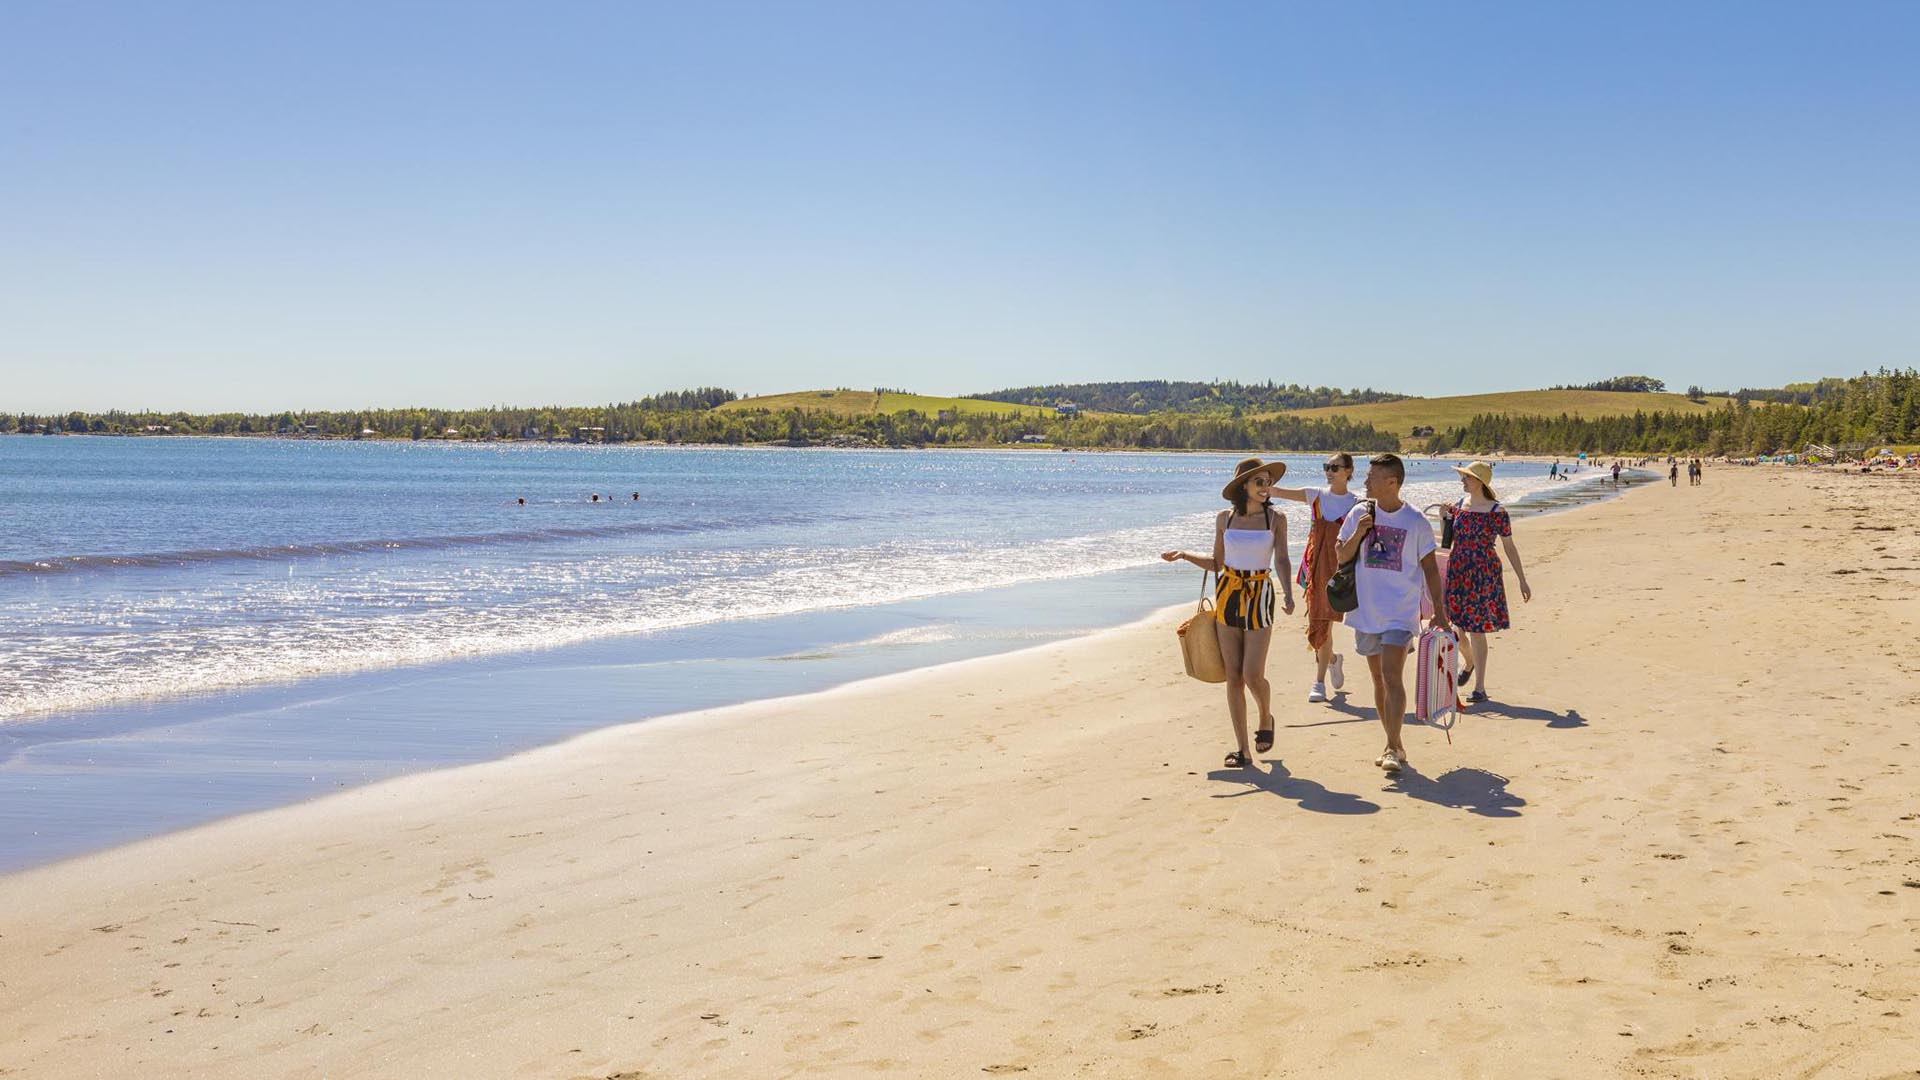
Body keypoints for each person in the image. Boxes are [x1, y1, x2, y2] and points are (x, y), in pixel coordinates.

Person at [1162, 458, 1296, 768]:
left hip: (1260, 595)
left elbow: (1283, 560)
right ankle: (1243, 749)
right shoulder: (1225, 518)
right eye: (1259, 482)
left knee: (1252, 675)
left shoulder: (1275, 519)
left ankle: (1265, 716)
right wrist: (1183, 554)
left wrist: (1288, 593)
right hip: (1229, 595)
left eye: (1267, 482)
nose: (1265, 488)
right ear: (1243, 486)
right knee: (1233, 677)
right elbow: (1217, 562)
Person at [1334, 453, 1448, 774]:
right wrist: (1359, 532)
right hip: (1365, 611)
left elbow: (1430, 569)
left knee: (1391, 676)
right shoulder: (1359, 512)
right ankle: (1396, 743)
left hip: (1400, 613)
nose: (1365, 481)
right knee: (1377, 680)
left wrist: (1438, 611)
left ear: (1392, 482)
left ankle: (1389, 748)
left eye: (1372, 476)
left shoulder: (1415, 522)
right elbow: (1342, 556)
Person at [1442, 462, 1532, 704]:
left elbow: (1509, 547)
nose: (1462, 481)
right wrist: (1445, 518)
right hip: (1458, 571)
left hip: (1483, 574)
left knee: (1477, 631)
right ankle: (1469, 662)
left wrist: (1522, 580)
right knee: (1456, 629)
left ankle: (1480, 688)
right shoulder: (1459, 507)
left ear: (1480, 482)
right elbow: (1447, 541)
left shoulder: (1497, 512)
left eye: (1467, 478)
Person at [1271, 452, 1358, 703]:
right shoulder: (1315, 495)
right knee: (1319, 623)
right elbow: (1278, 492)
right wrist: (1259, 483)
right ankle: (1327, 667)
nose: (1329, 471)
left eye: (1335, 467)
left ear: (1348, 471)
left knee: (1325, 622)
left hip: (1340, 573)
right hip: (1314, 569)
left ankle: (1322, 676)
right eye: (1326, 466)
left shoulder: (1357, 503)